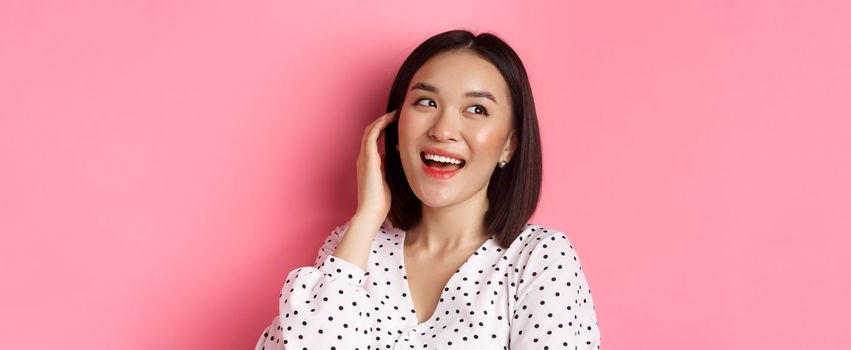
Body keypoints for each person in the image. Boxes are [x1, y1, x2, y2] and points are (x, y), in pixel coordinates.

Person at [254, 29, 601, 349]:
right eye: (426, 103)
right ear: (396, 125)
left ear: (509, 145)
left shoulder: (539, 258)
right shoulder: (351, 249)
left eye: (476, 109)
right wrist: (367, 217)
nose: (443, 129)